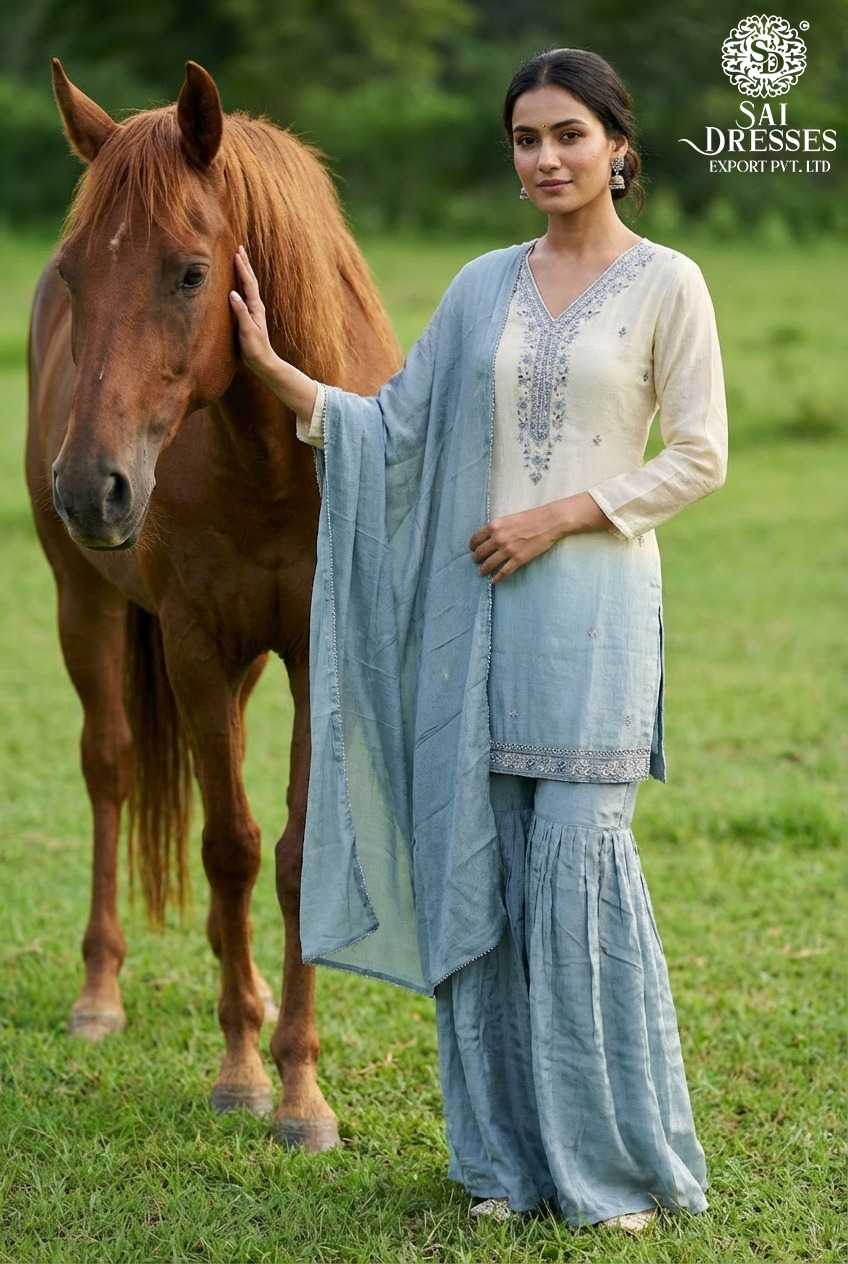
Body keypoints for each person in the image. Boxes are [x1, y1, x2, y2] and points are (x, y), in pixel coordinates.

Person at [229, 47, 727, 1235]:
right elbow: (393, 429)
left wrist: (559, 514)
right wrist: (270, 370)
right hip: (473, 626)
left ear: (618, 143)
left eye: (567, 134)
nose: (545, 158)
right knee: (486, 883)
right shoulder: (479, 288)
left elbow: (699, 454)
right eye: (524, 139)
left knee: (575, 878)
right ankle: (502, 1162)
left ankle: (609, 1168)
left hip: (593, 617)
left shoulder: (669, 283)